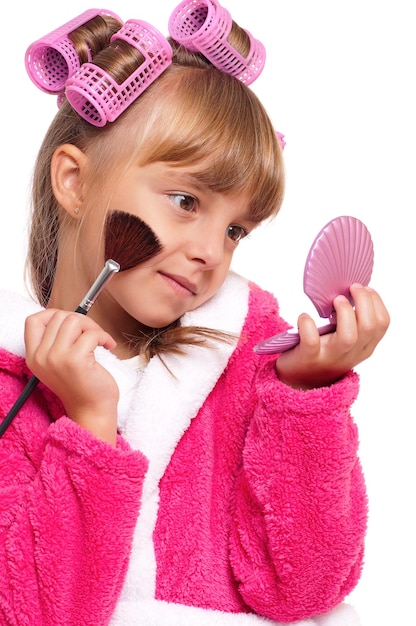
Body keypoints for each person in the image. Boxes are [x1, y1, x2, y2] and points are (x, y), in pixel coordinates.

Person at [0, 2, 389, 625]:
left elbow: (305, 590)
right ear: (74, 181)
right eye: (185, 200)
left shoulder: (247, 361)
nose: (212, 251)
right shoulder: (10, 387)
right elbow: (34, 613)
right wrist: (90, 425)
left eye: (236, 229)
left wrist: (307, 396)